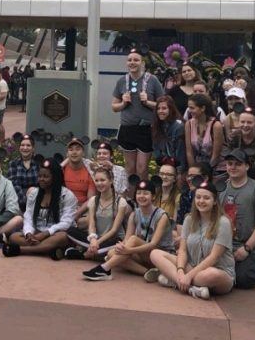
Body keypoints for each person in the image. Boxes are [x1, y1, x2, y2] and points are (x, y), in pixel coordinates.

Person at [148, 178, 235, 299]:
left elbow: (214, 257)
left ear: (215, 201)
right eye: (198, 197)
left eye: (206, 198)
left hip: (218, 271)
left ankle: (174, 280)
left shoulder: (223, 222)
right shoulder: (189, 219)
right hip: (192, 266)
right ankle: (191, 288)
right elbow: (182, 250)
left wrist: (188, 276)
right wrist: (180, 270)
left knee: (211, 275)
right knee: (155, 254)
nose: (201, 201)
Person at [82, 178, 173, 281]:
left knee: (133, 240)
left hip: (161, 255)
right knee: (112, 253)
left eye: (146, 193)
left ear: (153, 197)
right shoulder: (134, 214)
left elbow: (153, 244)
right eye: (139, 193)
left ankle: (104, 269)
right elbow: (126, 240)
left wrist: (129, 250)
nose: (142, 196)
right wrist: (121, 247)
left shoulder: (161, 215)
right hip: (143, 254)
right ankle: (148, 272)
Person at [220, 148, 255, 289]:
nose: (233, 167)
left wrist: (247, 248)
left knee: (242, 280)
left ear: (247, 166)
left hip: (252, 247)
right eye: (230, 164)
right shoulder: (221, 188)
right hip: (227, 245)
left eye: (238, 164)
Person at [3, 160, 78, 258]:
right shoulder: (34, 194)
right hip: (37, 233)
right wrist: (28, 233)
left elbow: (66, 223)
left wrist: (46, 234)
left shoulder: (67, 195)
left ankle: (21, 250)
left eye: (46, 177)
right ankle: (47, 249)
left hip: (55, 233)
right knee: (14, 237)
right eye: (40, 176)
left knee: (62, 237)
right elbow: (28, 217)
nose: (41, 179)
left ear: (55, 178)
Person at [111, 48, 165, 181]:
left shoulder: (152, 80)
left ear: (143, 63)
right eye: (129, 60)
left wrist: (148, 102)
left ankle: (142, 196)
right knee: (129, 169)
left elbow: (163, 106)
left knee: (142, 169)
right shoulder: (122, 81)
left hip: (146, 129)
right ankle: (130, 199)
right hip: (127, 128)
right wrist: (123, 103)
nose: (132, 62)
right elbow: (114, 107)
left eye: (136, 60)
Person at [64, 164, 129, 260]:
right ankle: (97, 253)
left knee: (115, 243)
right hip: (96, 239)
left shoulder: (121, 202)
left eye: (102, 180)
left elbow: (114, 230)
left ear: (110, 181)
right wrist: (93, 239)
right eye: (97, 180)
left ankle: (84, 255)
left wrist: (97, 243)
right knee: (70, 231)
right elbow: (91, 224)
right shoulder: (93, 200)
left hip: (112, 240)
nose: (99, 183)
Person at [226, 107, 255, 182]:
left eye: (249, 122)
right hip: (241, 174)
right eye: (242, 122)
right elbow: (231, 164)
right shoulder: (233, 137)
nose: (245, 125)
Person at [185, 93, 224, 170]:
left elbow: (216, 154)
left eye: (192, 108)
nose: (189, 111)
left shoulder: (216, 125)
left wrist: (207, 171)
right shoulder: (189, 124)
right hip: (198, 164)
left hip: (215, 166)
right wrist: (193, 170)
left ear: (202, 108)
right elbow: (189, 152)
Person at [62, 138, 97, 221]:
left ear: (83, 153)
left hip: (83, 209)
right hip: (64, 208)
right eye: (71, 150)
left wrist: (77, 213)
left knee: (89, 220)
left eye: (78, 149)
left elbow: (91, 199)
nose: (74, 152)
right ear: (67, 154)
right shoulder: (62, 170)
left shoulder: (90, 171)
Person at [6, 134, 41, 211]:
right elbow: (13, 185)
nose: (25, 148)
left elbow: (42, 183)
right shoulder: (13, 164)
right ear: (19, 148)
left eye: (28, 145)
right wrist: (25, 201)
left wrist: (33, 198)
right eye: (22, 145)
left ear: (33, 148)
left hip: (37, 201)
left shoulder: (38, 164)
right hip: (18, 202)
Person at [152, 96, 186, 168]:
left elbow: (181, 151)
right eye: (158, 108)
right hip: (164, 165)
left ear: (171, 109)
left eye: (164, 108)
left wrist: (180, 171)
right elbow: (156, 149)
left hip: (178, 165)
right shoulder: (157, 126)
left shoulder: (178, 126)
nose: (160, 111)